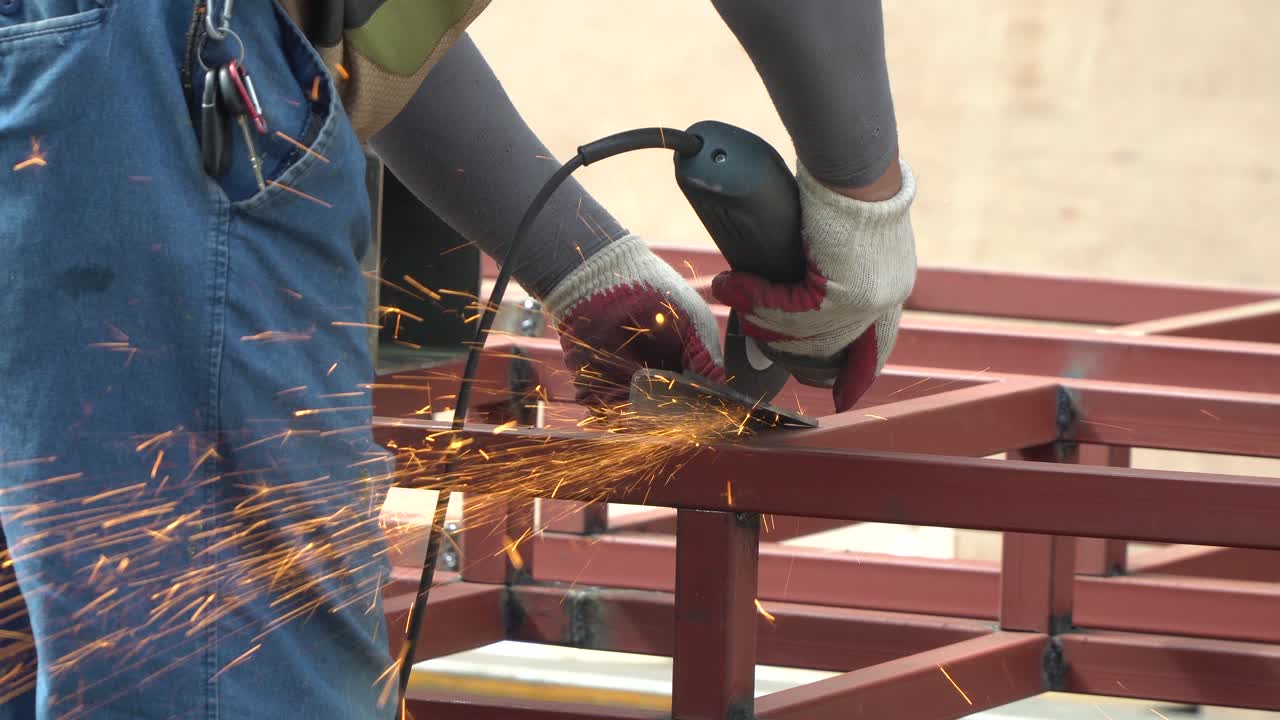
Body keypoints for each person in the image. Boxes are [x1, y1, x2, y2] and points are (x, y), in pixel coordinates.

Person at [0, 1, 915, 718]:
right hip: (140, 87)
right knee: (228, 671)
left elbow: (344, 25)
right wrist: (863, 198)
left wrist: (583, 266)